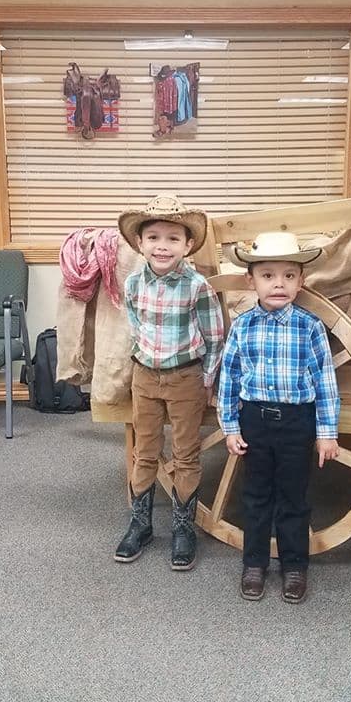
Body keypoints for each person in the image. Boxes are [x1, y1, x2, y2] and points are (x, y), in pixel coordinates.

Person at [217, 231, 340, 604]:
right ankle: (253, 563)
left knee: (293, 497)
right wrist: (230, 426)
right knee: (254, 496)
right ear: (250, 280)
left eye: (289, 275)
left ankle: (294, 567)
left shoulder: (310, 327)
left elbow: (325, 381)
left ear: (301, 281)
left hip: (296, 422)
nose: (278, 284)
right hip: (254, 420)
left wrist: (327, 433)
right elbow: (230, 377)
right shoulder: (242, 326)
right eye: (268, 275)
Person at [114, 194, 225, 570]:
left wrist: (207, 379)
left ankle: (183, 528)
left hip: (185, 378)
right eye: (154, 237)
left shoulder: (197, 287)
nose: (163, 246)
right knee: (144, 451)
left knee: (185, 453)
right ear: (140, 243)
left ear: (188, 244)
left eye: (173, 238)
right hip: (144, 377)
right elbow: (135, 324)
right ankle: (141, 523)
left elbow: (214, 337)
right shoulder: (133, 284)